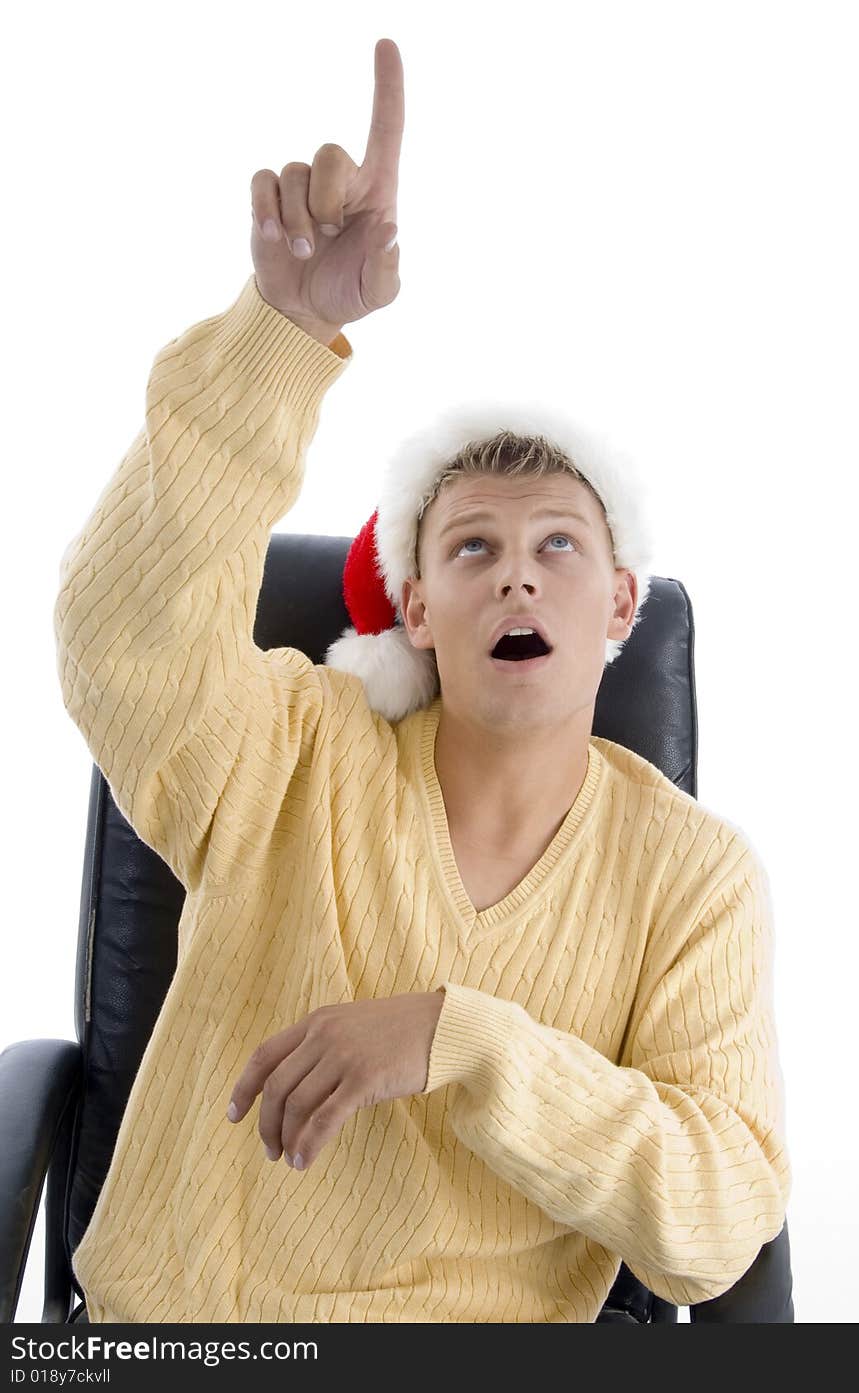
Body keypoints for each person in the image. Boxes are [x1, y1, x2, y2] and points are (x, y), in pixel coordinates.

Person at [53, 37, 791, 1324]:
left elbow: (716, 1224)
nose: (518, 579)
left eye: (559, 545)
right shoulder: (291, 748)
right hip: (196, 1333)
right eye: (473, 549)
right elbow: (122, 638)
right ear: (413, 606)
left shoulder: (691, 874)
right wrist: (282, 332)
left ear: (619, 606)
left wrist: (467, 1039)